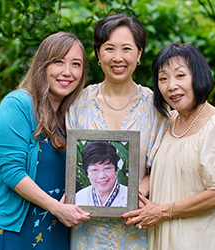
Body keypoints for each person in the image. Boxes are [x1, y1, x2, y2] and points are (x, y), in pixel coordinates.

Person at [0, 32, 91, 250]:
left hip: (52, 227)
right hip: (5, 227)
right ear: (43, 65)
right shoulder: (17, 105)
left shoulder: (73, 114)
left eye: (76, 64)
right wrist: (58, 209)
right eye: (58, 62)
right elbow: (12, 173)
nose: (67, 72)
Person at [122, 43, 215, 249]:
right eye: (163, 78)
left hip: (204, 236)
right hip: (165, 232)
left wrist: (161, 211)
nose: (171, 86)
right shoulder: (167, 121)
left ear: (199, 75)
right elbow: (157, 173)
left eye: (180, 76)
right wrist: (128, 197)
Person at [66, 14, 168, 249]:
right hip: (86, 229)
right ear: (98, 54)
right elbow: (69, 161)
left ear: (139, 54)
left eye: (127, 49)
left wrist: (130, 197)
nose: (118, 58)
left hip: (134, 226)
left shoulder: (156, 107)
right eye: (109, 48)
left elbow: (160, 166)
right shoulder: (78, 103)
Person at [76, 141, 128, 207]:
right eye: (94, 170)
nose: (102, 176)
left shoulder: (130, 196)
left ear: (115, 170)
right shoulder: (79, 198)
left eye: (107, 168)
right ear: (87, 173)